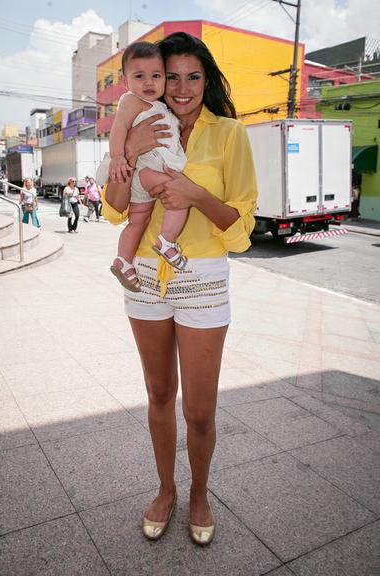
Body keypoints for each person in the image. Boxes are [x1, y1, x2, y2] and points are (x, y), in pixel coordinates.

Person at [102, 31, 257, 546]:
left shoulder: (231, 134)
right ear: (155, 78)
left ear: (207, 80)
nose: (182, 88)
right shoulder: (142, 118)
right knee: (160, 393)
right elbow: (115, 207)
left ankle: (199, 493)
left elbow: (241, 227)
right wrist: (132, 146)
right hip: (145, 277)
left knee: (200, 409)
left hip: (203, 280)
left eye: (194, 76)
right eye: (172, 76)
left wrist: (195, 194)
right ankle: (166, 489)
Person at [96, 41, 187, 291]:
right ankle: (167, 241)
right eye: (140, 76)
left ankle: (124, 261)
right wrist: (117, 157)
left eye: (156, 76)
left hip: (142, 174)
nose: (149, 83)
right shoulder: (132, 101)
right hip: (148, 168)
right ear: (126, 82)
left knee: (138, 221)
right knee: (179, 196)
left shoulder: (160, 105)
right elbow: (119, 129)